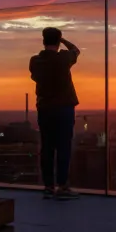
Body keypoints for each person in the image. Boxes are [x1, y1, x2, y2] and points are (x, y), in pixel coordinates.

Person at [29, 27, 81, 200]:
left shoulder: (35, 61)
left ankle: (48, 186)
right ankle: (63, 185)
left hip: (44, 108)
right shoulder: (63, 59)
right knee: (64, 146)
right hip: (64, 108)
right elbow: (76, 50)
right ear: (58, 42)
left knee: (47, 147)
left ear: (43, 41)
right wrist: (63, 40)